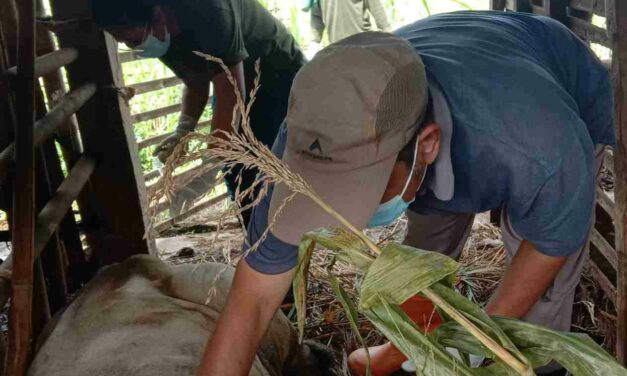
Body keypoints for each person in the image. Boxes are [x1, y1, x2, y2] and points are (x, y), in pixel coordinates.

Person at [201, 10, 613, 376]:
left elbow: (549, 243)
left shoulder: (541, 145)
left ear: (427, 147)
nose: (346, 222)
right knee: (422, 256)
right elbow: (254, 295)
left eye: (362, 188)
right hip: (443, 111)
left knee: (536, 288)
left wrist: (470, 349)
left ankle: (540, 366)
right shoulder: (313, 134)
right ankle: (402, 348)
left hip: (554, 82)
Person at [91, 0, 306, 225]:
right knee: (236, 169)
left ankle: (285, 239)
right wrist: (183, 130)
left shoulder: (210, 10)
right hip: (232, 77)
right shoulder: (158, 33)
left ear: (158, 17)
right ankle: (258, 240)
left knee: (263, 162)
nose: (135, 47)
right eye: (124, 42)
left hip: (278, 74)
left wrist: (207, 167)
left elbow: (230, 93)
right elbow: (195, 82)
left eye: (133, 40)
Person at [305, 0, 391, 43]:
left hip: (363, 42)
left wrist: (387, 30)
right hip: (337, 47)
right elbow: (316, 15)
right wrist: (314, 40)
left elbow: (375, 6)